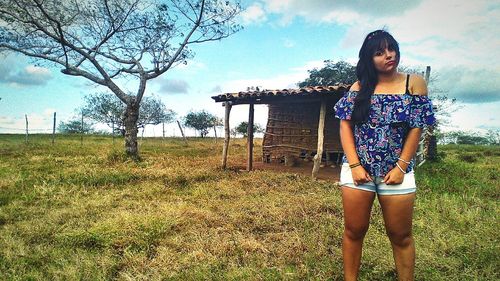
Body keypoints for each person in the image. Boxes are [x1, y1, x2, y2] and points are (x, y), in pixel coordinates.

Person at [333, 29, 436, 281]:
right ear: (369, 59)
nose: (388, 56)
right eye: (379, 53)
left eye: (391, 49)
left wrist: (401, 167)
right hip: (359, 171)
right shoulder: (360, 87)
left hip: (397, 172)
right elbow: (345, 124)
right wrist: (355, 165)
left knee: (400, 235)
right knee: (354, 230)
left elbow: (416, 126)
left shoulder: (414, 83)